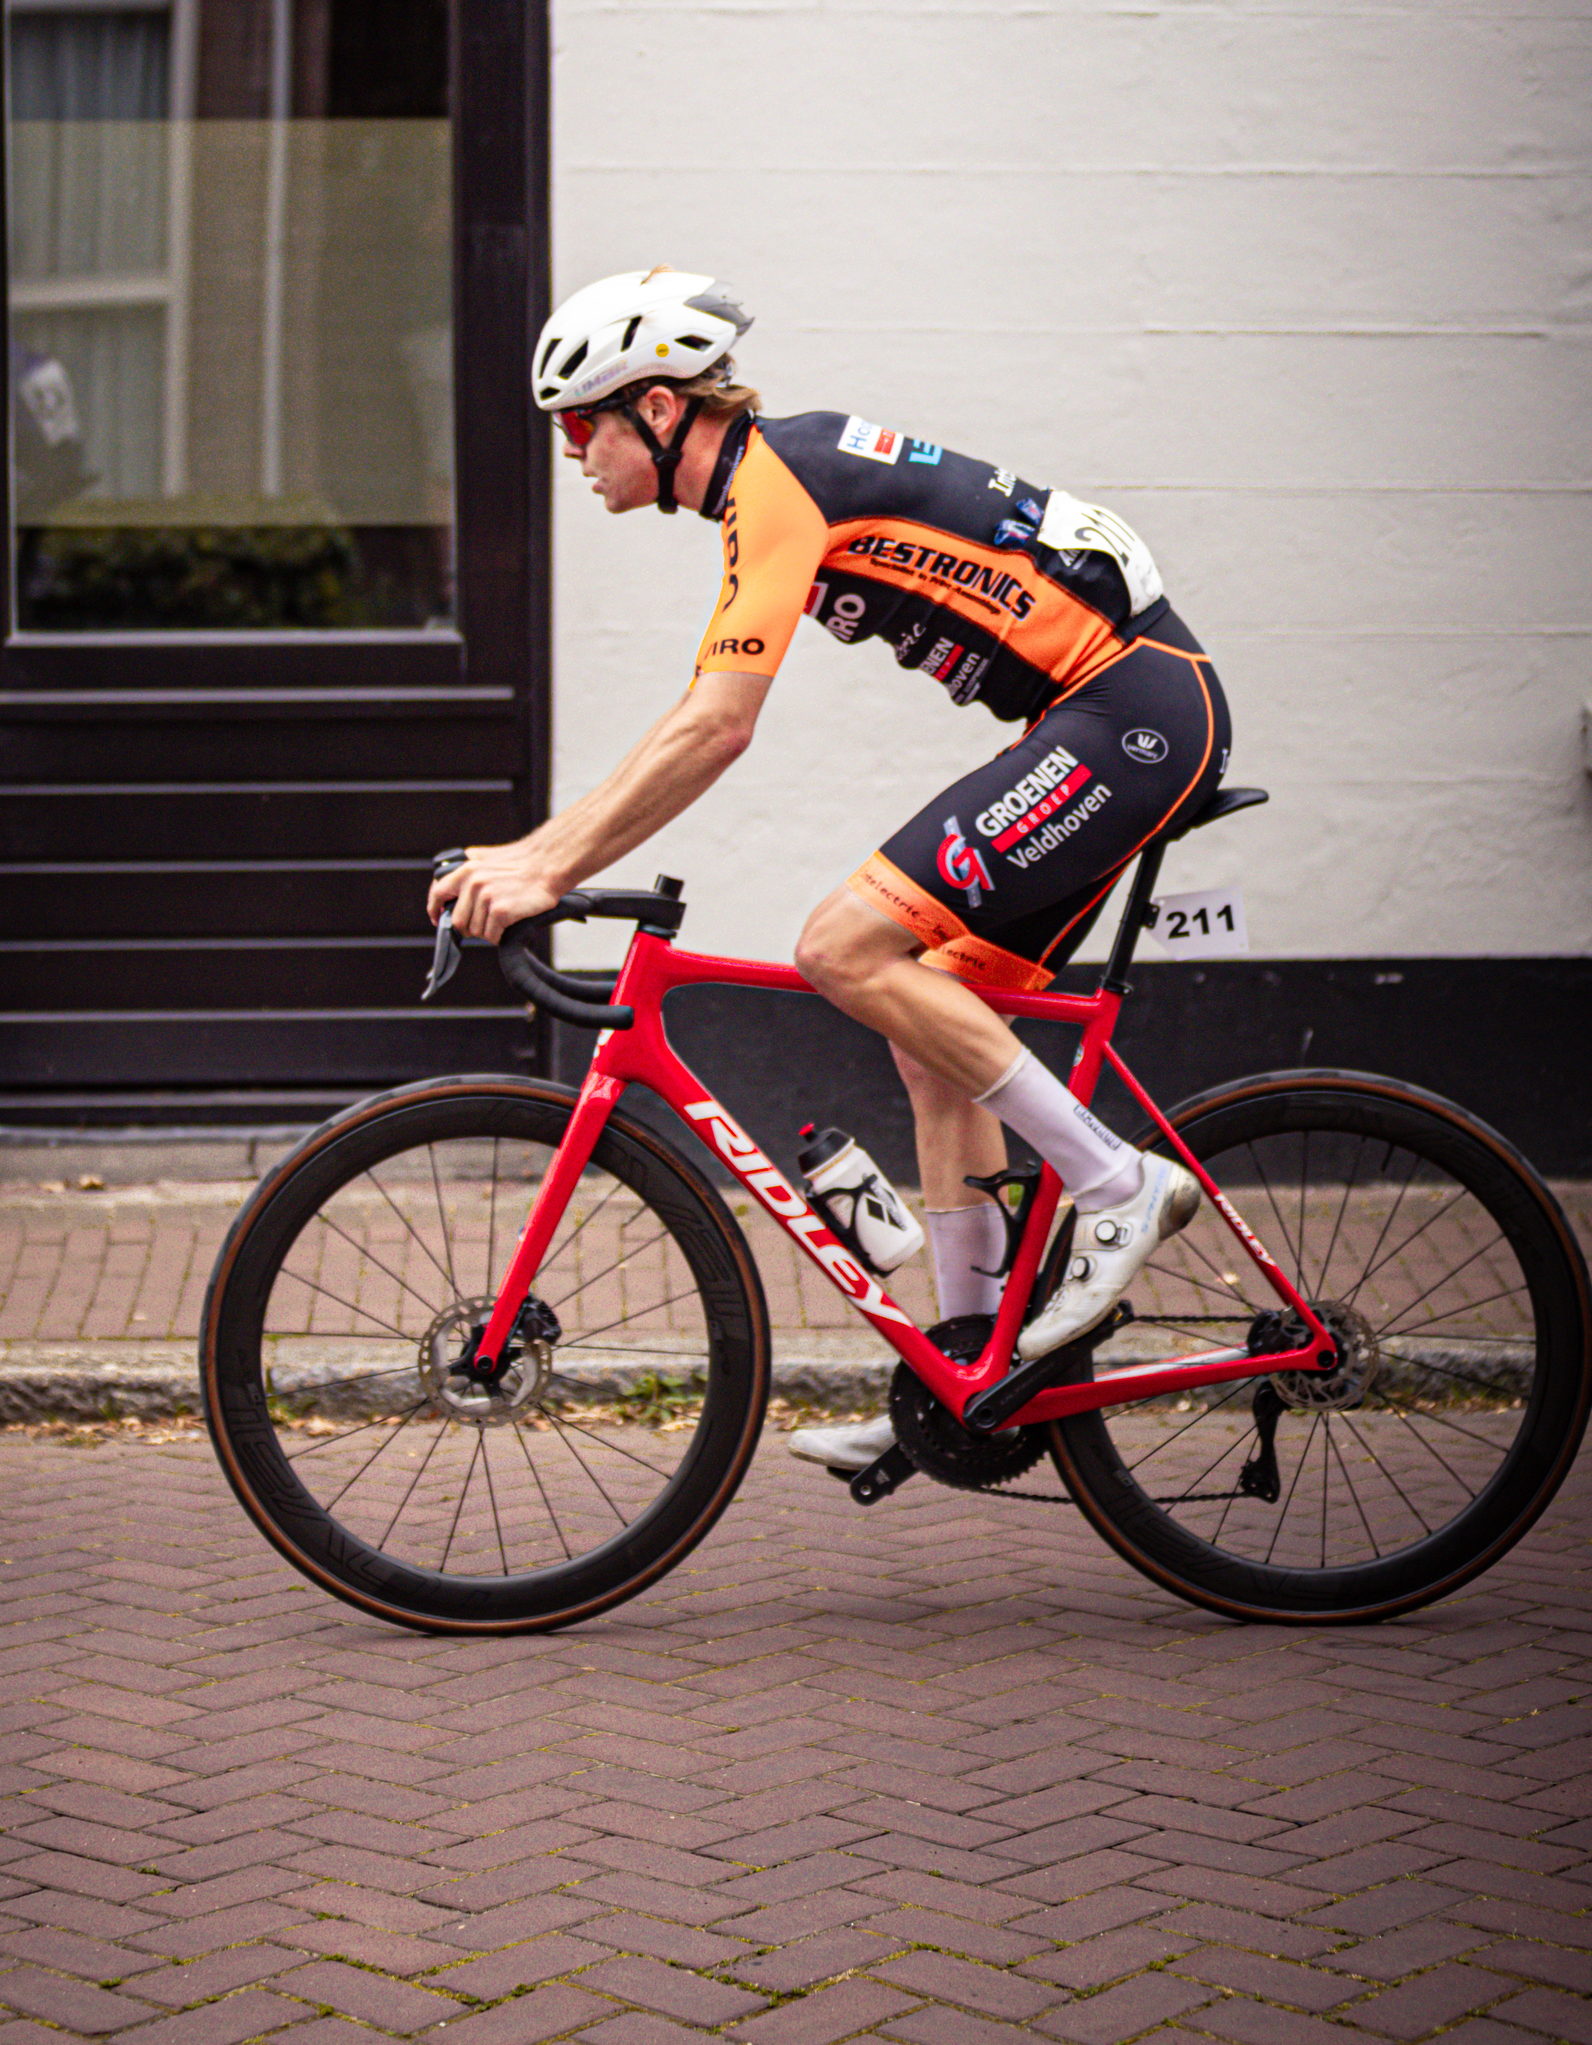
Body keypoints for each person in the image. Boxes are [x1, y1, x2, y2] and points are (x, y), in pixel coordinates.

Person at [428, 267, 1229, 1476]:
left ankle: (1114, 1182)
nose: (571, 452)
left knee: (839, 948)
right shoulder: (769, 487)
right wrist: (540, 852)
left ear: (655, 410)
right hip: (1109, 717)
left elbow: (716, 727)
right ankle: (967, 1368)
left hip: (1129, 715)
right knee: (927, 1029)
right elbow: (693, 714)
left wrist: (545, 866)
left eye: (580, 424)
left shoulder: (776, 483)